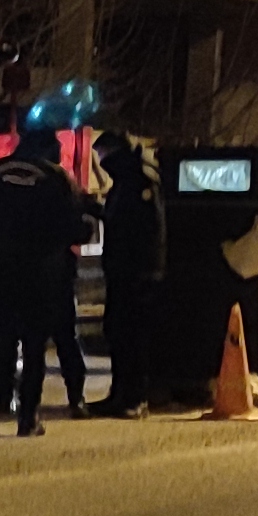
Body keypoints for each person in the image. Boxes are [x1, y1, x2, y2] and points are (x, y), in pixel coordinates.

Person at [0, 128, 98, 440]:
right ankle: (28, 416)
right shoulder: (57, 180)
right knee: (34, 348)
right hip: (41, 276)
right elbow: (74, 228)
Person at [94, 132, 165, 416]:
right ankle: (121, 394)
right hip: (125, 271)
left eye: (102, 157)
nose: (101, 164)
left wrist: (142, 269)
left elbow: (142, 229)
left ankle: (134, 398)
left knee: (132, 336)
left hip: (137, 273)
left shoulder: (139, 179)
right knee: (118, 332)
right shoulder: (127, 180)